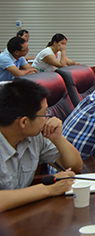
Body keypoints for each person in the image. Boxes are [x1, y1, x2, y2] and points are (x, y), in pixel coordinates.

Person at [0, 78, 82, 212]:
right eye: (44, 114)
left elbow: (75, 166)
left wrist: (58, 138)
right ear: (24, 122)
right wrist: (49, 189)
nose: (48, 118)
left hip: (20, 214)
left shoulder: (35, 135)